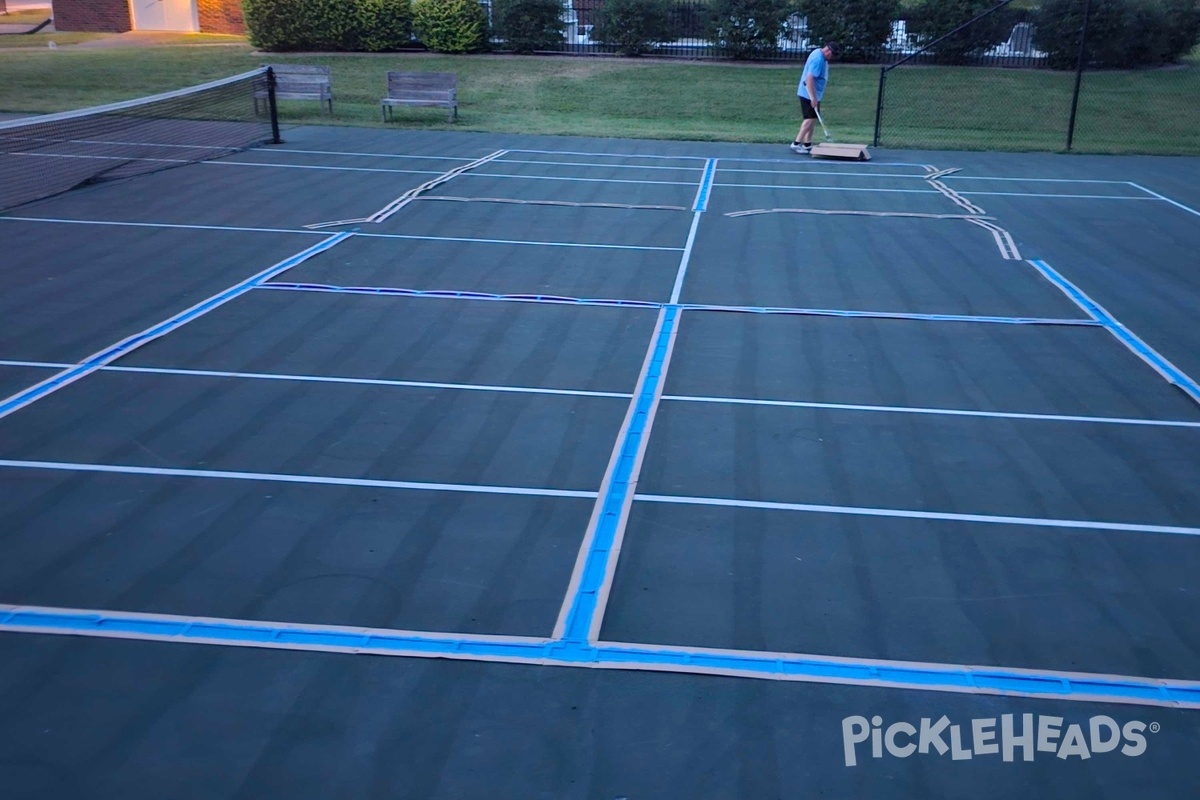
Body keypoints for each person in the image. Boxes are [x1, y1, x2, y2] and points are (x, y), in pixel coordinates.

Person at [790, 42, 839, 155]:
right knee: (809, 119)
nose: (832, 58)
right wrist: (813, 98)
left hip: (813, 94)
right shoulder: (818, 60)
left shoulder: (818, 52)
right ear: (828, 51)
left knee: (812, 118)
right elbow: (809, 79)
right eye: (832, 55)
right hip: (808, 93)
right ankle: (796, 144)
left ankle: (807, 144)